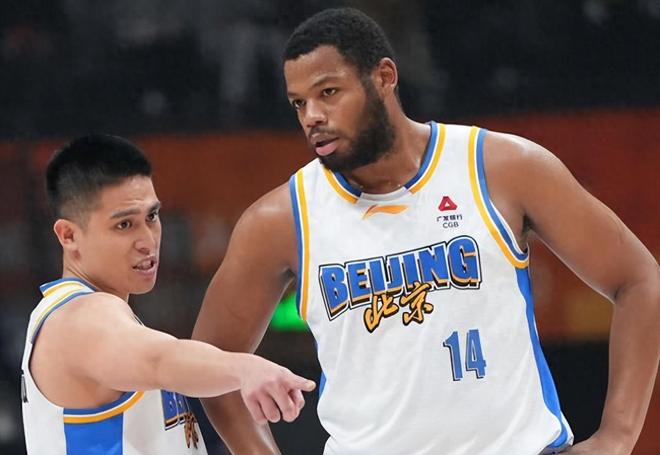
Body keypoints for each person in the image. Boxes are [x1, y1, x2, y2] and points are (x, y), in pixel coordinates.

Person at [192, 8, 660, 455]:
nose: (312, 115)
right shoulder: (279, 219)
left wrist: (617, 437)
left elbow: (640, 280)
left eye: (328, 92)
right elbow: (208, 362)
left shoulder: (502, 167)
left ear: (384, 77)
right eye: (299, 103)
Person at [21, 134, 315, 455]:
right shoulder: (78, 318)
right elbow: (160, 359)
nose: (147, 240)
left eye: (151, 217)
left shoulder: (100, 318)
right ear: (69, 235)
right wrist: (245, 369)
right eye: (124, 225)